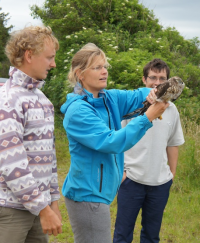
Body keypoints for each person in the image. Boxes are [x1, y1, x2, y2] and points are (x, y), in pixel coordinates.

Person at [60, 44, 169, 243]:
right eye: (97, 67)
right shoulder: (78, 111)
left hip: (98, 194)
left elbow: (137, 95)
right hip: (87, 195)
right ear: (80, 74)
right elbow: (111, 142)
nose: (105, 71)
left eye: (105, 66)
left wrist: (153, 93)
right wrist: (148, 117)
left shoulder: (108, 98)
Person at [0, 26, 62, 243]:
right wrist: (44, 209)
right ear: (29, 56)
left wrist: (53, 202)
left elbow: (50, 157)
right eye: (49, 57)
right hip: (10, 211)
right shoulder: (8, 100)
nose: (53, 64)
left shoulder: (42, 99)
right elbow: (11, 163)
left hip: (38, 208)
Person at [113, 58, 185, 243]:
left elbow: (173, 143)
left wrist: (172, 173)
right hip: (131, 179)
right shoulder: (132, 106)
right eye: (153, 77)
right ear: (144, 80)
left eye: (163, 78)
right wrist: (121, 172)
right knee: (122, 234)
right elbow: (114, 140)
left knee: (152, 236)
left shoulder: (172, 109)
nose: (158, 83)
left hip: (160, 183)